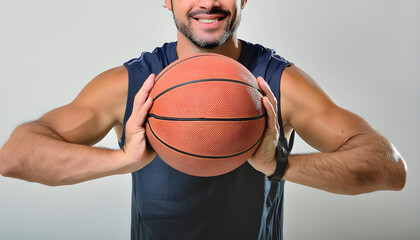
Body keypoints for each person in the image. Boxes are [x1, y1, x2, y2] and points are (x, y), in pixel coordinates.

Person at [0, 0, 407, 239]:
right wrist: (121, 159)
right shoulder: (132, 84)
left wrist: (280, 164)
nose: (208, 1)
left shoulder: (278, 83)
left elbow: (390, 168)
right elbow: (14, 156)